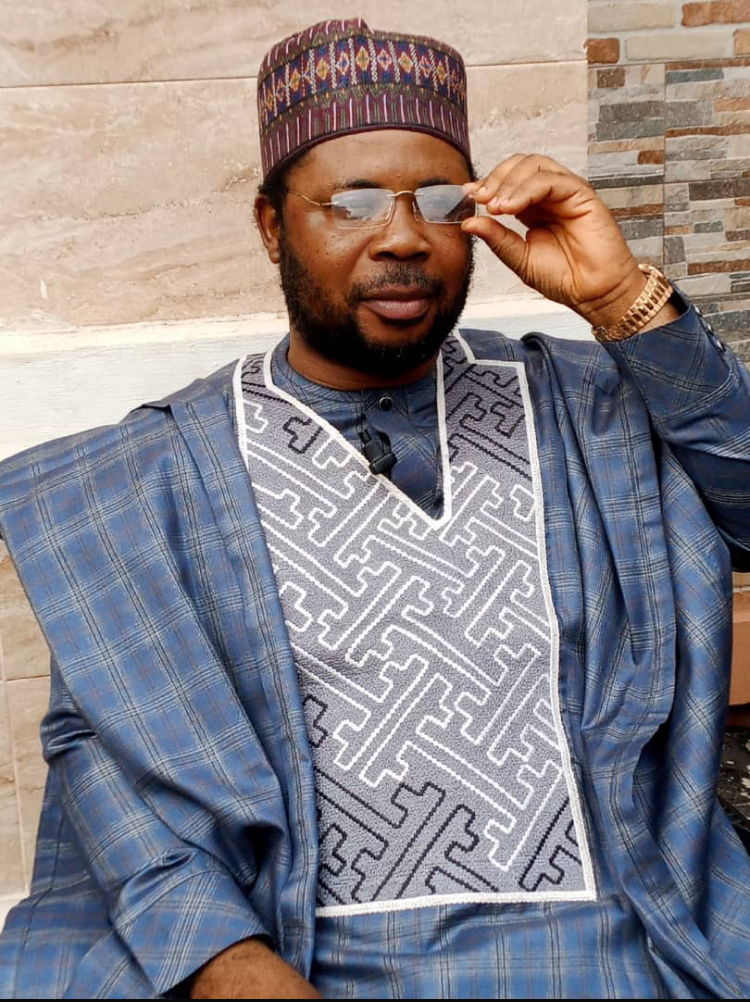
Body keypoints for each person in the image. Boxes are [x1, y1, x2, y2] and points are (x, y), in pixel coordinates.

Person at [0, 16, 749, 1000]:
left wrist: (618, 300)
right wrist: (228, 965)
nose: (403, 237)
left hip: (627, 944)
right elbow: (105, 751)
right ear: (273, 226)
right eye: (350, 203)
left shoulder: (588, 409)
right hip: (305, 956)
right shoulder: (157, 475)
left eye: (440, 201)